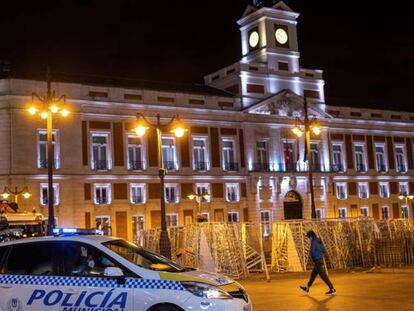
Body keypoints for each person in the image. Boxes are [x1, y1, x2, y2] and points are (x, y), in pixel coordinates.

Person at [300, 230, 336, 296]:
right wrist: (320, 255)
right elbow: (324, 250)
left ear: (310, 237)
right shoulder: (319, 240)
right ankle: (307, 288)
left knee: (324, 276)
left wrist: (314, 258)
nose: (308, 239)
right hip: (320, 260)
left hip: (317, 261)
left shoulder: (313, 242)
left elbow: (312, 251)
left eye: (308, 237)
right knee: (312, 276)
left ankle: (332, 289)